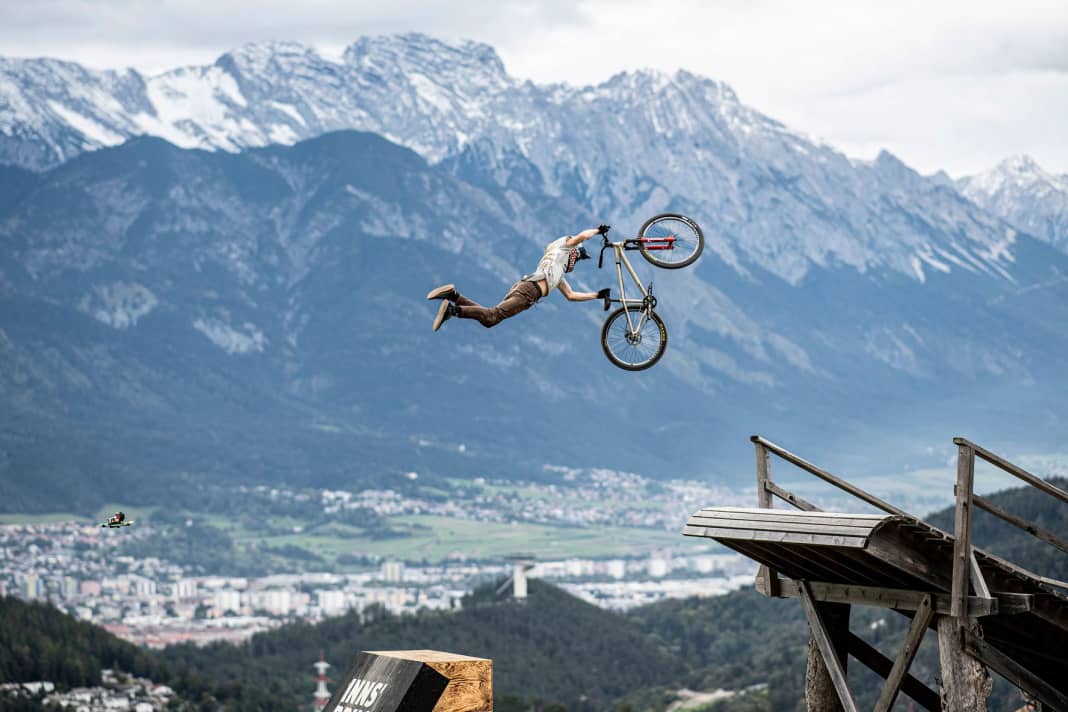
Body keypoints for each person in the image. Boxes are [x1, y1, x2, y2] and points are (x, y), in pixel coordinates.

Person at [428, 225, 612, 331]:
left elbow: (571, 295)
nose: (576, 263)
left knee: (490, 318)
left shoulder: (556, 272)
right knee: (491, 317)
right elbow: (581, 237)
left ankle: (453, 296)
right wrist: (597, 230)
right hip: (529, 291)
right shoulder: (563, 251)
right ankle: (452, 310)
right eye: (578, 258)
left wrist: (597, 295)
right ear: (574, 254)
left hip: (525, 287)